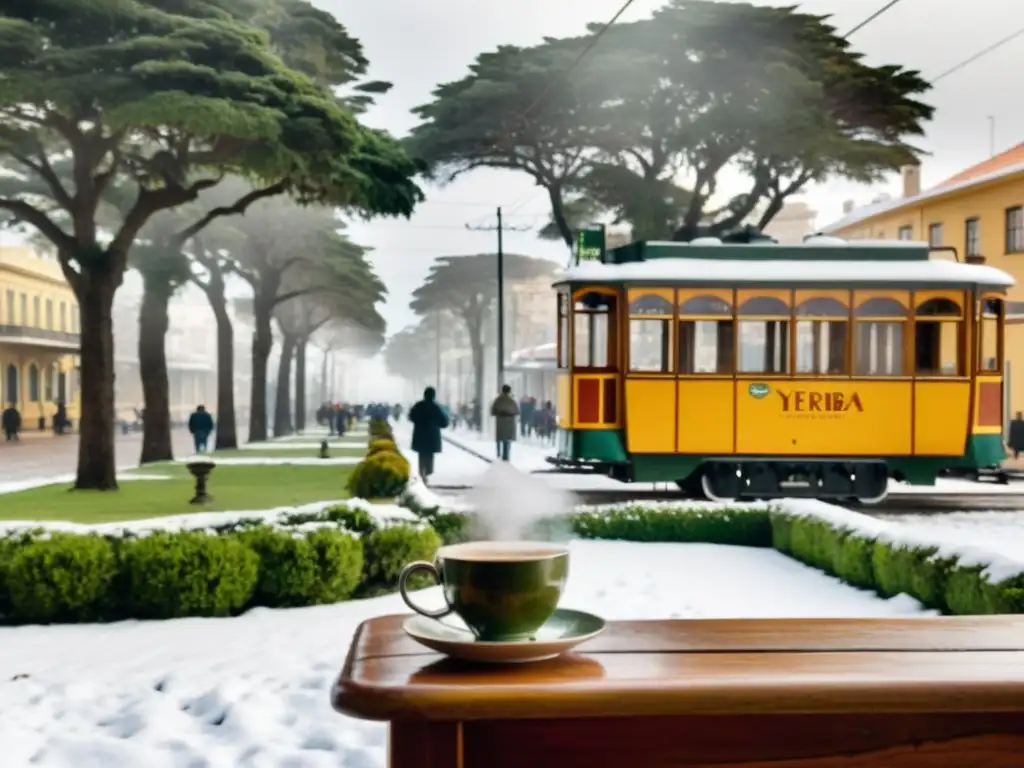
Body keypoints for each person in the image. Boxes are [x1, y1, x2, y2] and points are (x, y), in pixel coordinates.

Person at [408, 386, 449, 484]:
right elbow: (444, 422)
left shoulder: (418, 406)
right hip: (432, 437)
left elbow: (411, 416)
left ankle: (422, 472)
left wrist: (419, 422)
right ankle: (427, 472)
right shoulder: (436, 407)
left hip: (420, 435)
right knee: (429, 456)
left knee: (421, 455)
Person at [490, 385, 519, 461]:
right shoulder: (512, 401)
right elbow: (516, 411)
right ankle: (506, 455)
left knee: (500, 438)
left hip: (500, 422)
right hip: (509, 422)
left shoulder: (498, 400)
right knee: (507, 440)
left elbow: (493, 411)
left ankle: (499, 452)